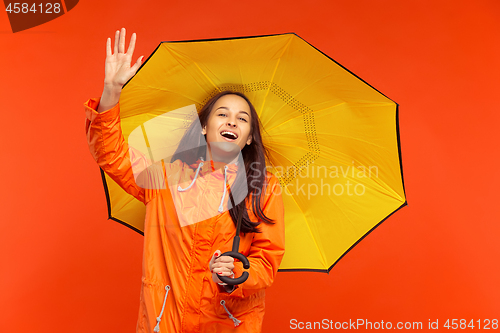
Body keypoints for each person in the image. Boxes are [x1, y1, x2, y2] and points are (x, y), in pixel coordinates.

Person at [84, 28, 285, 333]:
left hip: (228, 325)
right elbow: (112, 155)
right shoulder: (166, 178)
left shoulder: (263, 187)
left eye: (242, 119)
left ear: (248, 139)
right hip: (165, 322)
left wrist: (237, 272)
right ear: (204, 127)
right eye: (222, 114)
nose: (232, 121)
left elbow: (266, 261)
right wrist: (111, 92)